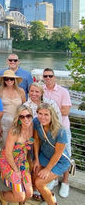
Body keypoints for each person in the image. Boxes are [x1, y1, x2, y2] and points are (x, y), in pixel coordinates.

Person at [42, 68, 72, 198]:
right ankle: (53, 179)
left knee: (65, 155)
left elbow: (65, 111)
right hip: (47, 128)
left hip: (62, 128)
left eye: (50, 76)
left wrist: (49, 111)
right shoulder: (42, 89)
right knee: (51, 152)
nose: (48, 78)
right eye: (45, 76)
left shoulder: (63, 91)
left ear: (54, 77)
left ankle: (65, 182)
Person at [33, 103, 70, 205]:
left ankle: (52, 202)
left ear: (51, 115)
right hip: (44, 155)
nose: (42, 117)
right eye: (40, 113)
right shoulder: (36, 122)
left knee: (39, 183)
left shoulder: (60, 131)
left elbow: (58, 154)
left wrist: (47, 169)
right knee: (34, 172)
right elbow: (36, 140)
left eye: (46, 114)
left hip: (60, 161)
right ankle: (47, 195)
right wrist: (36, 159)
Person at [0, 105, 33, 205]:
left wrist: (26, 166)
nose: (26, 119)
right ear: (18, 118)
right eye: (22, 117)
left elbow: (26, 148)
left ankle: (19, 199)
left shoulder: (31, 128)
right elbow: (8, 153)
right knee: (20, 196)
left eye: (28, 116)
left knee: (29, 193)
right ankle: (3, 195)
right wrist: (17, 171)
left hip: (21, 159)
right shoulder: (14, 131)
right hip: (8, 160)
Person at [0, 69, 26, 144]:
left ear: (14, 80)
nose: (9, 80)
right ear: (3, 80)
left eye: (11, 78)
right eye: (6, 79)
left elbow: (24, 108)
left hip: (17, 123)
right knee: (5, 146)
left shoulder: (21, 91)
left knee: (17, 146)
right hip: (3, 123)